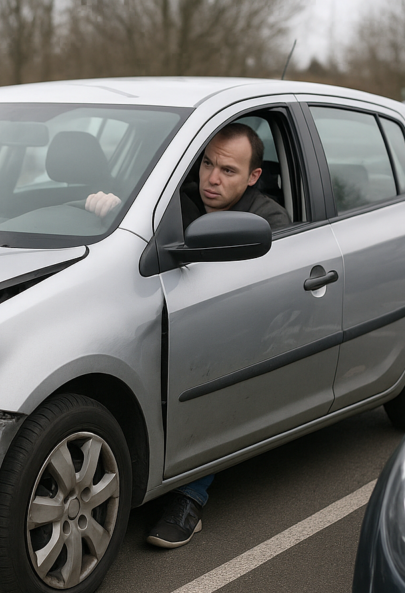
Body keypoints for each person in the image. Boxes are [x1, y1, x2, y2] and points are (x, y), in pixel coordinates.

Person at [86, 122, 290, 549]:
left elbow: (247, 288)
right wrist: (112, 212)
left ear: (254, 176)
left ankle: (189, 495)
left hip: (258, 333)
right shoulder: (180, 202)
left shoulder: (267, 219)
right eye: (208, 164)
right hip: (188, 326)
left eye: (228, 171)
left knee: (212, 378)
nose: (212, 179)